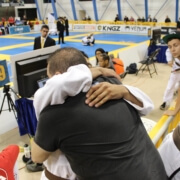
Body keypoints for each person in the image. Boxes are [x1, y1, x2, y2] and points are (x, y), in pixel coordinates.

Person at [31, 47, 167, 180]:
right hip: (155, 171)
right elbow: (147, 106)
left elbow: (37, 157)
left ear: (57, 77)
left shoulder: (54, 114)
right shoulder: (112, 85)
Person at [160, 31, 180, 110]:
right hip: (176, 68)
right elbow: (168, 51)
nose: (172, 49)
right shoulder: (171, 50)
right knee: (170, 86)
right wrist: (169, 60)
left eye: (175, 45)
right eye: (170, 46)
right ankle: (166, 102)